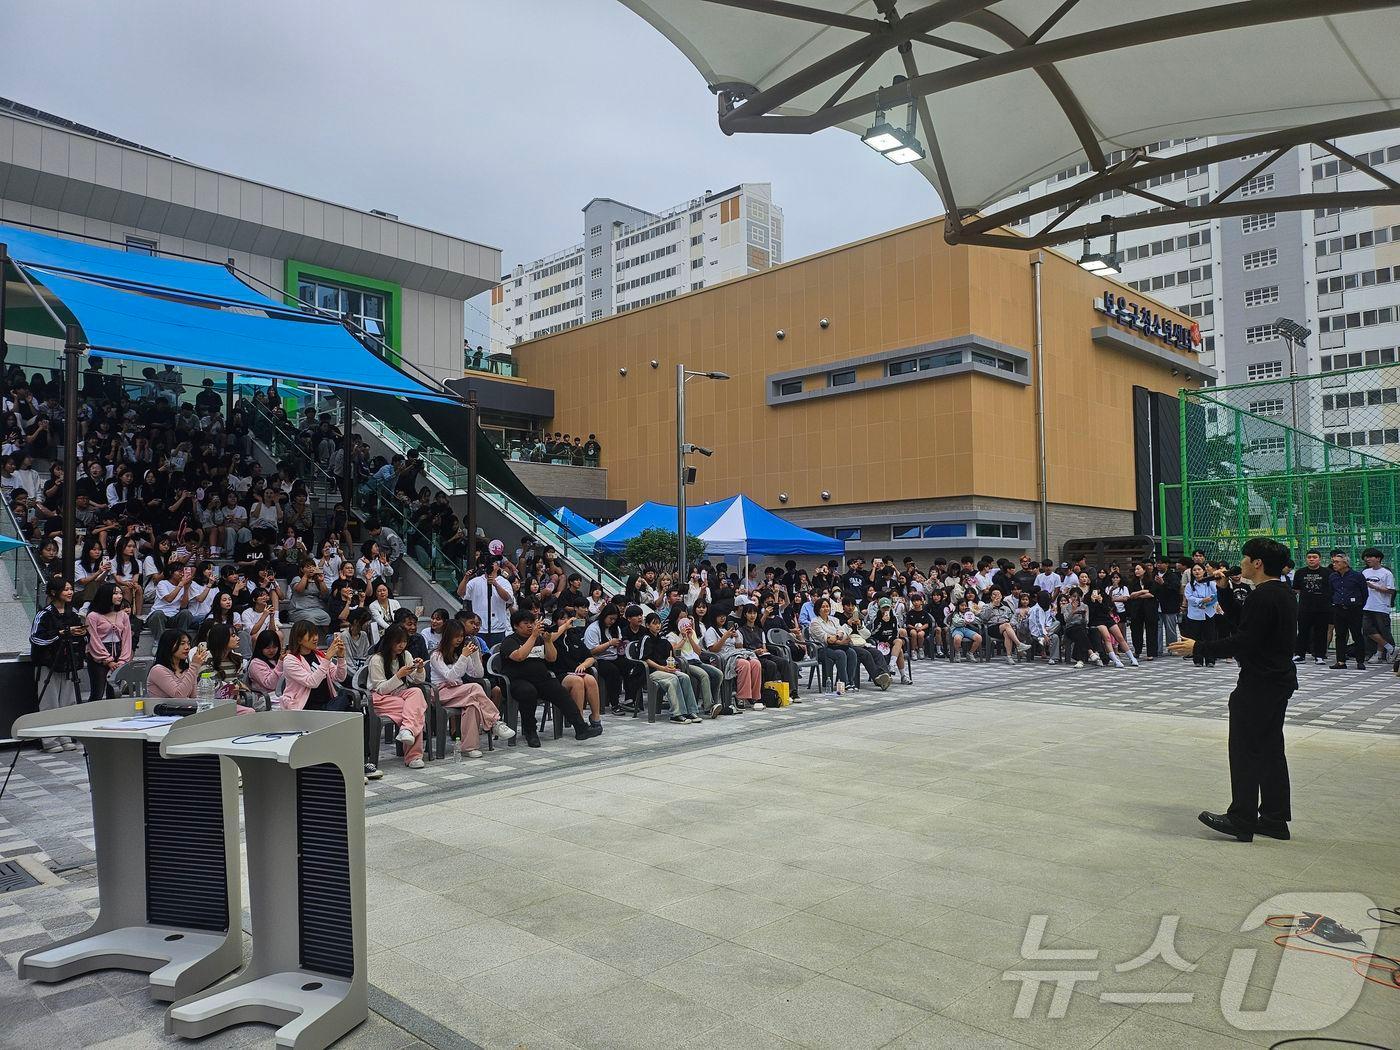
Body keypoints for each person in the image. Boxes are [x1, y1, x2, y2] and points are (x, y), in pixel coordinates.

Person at [1169, 537, 1298, 842]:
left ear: (1257, 563)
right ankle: (1274, 818)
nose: (1239, 564)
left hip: (1259, 683)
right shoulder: (1281, 594)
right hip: (1276, 679)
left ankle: (1241, 818)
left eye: (1244, 558)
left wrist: (1198, 647)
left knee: (1245, 750)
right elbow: (1245, 627)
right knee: (1269, 749)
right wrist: (1225, 593)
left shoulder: (1264, 597)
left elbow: (1243, 641)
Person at [498, 608, 598, 747]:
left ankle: (580, 727)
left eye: (532, 623)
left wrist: (548, 641)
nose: (530, 626)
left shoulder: (540, 639)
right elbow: (519, 656)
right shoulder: (510, 641)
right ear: (515, 625)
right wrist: (533, 637)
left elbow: (552, 658)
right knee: (528, 691)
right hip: (517, 681)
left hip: (541, 679)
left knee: (559, 690)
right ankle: (530, 731)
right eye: (525, 623)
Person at [432, 619, 514, 758]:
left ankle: (468, 747)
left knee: (472, 705)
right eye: (456, 636)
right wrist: (464, 656)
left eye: (461, 636)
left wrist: (475, 655)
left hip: (459, 692)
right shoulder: (436, 655)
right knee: (474, 687)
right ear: (447, 636)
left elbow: (477, 674)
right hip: (441, 693)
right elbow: (450, 677)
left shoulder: (460, 654)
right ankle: (494, 721)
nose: (459, 639)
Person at [30, 577, 86, 752]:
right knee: (49, 703)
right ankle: (50, 740)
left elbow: (81, 637)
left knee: (68, 702)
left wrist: (80, 633)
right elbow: (35, 638)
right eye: (66, 589)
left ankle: (66, 736)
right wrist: (60, 634)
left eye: (71, 589)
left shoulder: (73, 613)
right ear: (54, 593)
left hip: (68, 663)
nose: (70, 592)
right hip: (48, 664)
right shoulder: (44, 614)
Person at [367, 624, 428, 769]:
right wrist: (398, 676)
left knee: (417, 693)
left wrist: (419, 669)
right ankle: (413, 756)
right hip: (382, 698)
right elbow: (380, 689)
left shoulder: (406, 655)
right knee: (414, 712)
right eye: (398, 642)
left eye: (404, 642)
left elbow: (417, 680)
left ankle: (407, 731)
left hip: (401, 694)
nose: (402, 645)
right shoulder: (377, 659)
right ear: (389, 641)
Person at [640, 612, 703, 723]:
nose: (658, 626)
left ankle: (691, 711)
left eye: (659, 623)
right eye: (654, 624)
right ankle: (676, 714)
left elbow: (673, 655)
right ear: (647, 625)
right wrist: (661, 668)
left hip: (666, 669)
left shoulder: (663, 639)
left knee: (684, 677)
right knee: (673, 679)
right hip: (652, 671)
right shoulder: (646, 639)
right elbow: (645, 659)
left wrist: (672, 666)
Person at [85, 582, 133, 703]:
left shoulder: (123, 615)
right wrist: (108, 660)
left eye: (120, 593)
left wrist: (123, 660)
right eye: (115, 593)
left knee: (114, 692)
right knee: (98, 692)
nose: (119, 596)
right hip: (99, 657)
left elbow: (127, 639)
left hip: (118, 653)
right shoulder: (93, 616)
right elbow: (93, 640)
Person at [1328, 550, 1367, 670]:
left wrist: (1359, 605)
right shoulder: (1332, 576)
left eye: (1337, 562)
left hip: (1354, 609)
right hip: (1339, 609)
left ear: (1345, 563)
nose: (1334, 564)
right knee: (1340, 635)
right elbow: (1331, 592)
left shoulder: (1357, 576)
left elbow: (1364, 593)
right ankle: (1340, 661)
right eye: (1333, 562)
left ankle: (1360, 661)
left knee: (1357, 634)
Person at [1290, 549, 1331, 666]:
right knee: (1303, 631)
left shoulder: (1327, 573)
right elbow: (1296, 589)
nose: (1311, 559)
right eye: (1309, 557)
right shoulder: (1300, 572)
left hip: (1322, 608)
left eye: (1314, 557)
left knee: (1321, 632)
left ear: (1320, 559)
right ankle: (1299, 655)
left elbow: (1331, 589)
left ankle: (1319, 656)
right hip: (1305, 608)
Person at [146, 628, 209, 698]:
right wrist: (194, 666)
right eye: (182, 644)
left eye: (188, 643)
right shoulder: (157, 670)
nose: (187, 647)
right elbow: (179, 696)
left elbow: (194, 697)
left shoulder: (187, 670)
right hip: (163, 708)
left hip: (185, 708)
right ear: (169, 645)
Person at [1359, 547, 1396, 665]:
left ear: (1378, 558)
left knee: (1383, 630)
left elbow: (1390, 590)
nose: (1367, 559)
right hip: (1367, 605)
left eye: (1370, 557)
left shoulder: (1386, 573)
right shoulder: (1365, 572)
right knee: (1367, 628)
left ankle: (1380, 653)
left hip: (1381, 606)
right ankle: (1391, 649)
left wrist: (1375, 586)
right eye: (1366, 557)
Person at [1180, 564, 1220, 668]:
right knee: (1196, 637)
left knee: (1210, 637)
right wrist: (1201, 601)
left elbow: (1217, 594)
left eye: (1199, 569)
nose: (1197, 572)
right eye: (1194, 570)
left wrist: (1208, 602)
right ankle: (1197, 659)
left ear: (1204, 571)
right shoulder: (1190, 585)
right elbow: (1189, 597)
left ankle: (1210, 659)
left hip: (1209, 613)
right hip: (1195, 615)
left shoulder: (1210, 583)